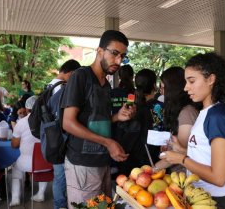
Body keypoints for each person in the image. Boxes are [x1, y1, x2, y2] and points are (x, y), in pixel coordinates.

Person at [159, 52, 225, 208]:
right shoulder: (207, 112)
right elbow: (206, 154)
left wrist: (181, 160)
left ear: (211, 79)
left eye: (191, 81)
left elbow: (219, 177)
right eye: (185, 82)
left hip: (220, 199)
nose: (186, 87)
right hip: (203, 196)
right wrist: (181, 150)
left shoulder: (217, 116)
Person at [61, 30, 134, 206]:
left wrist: (117, 117)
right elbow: (68, 123)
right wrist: (108, 143)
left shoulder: (106, 85)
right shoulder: (81, 76)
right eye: (114, 53)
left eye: (122, 56)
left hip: (102, 161)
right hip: (82, 164)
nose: (118, 61)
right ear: (100, 51)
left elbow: (96, 121)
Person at [116, 68, 164, 176]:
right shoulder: (158, 107)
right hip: (151, 162)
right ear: (154, 86)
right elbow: (160, 133)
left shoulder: (129, 105)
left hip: (127, 160)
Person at [48, 59, 81, 209]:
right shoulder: (61, 88)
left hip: (53, 138)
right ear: (71, 73)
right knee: (61, 176)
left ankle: (60, 204)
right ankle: (60, 205)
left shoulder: (50, 85)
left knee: (59, 176)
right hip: (61, 138)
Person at [10, 96, 48, 206]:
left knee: (16, 169)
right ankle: (41, 193)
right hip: (46, 162)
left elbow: (14, 145)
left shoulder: (21, 123)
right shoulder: (48, 120)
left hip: (27, 162)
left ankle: (16, 198)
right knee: (43, 167)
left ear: (26, 109)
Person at [158, 67, 199, 155]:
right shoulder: (179, 111)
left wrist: (155, 167)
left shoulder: (186, 113)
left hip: (181, 168)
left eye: (163, 88)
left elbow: (182, 152)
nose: (161, 92)